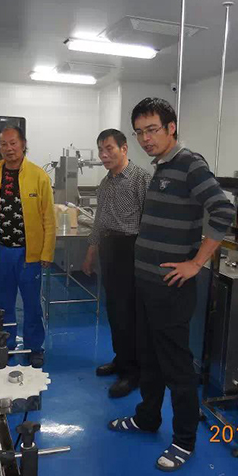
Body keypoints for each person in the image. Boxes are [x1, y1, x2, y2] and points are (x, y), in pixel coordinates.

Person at [107, 98, 235, 472]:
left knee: (177, 366)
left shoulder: (190, 164)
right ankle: (147, 417)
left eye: (152, 130)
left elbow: (223, 211)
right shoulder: (162, 167)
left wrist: (197, 263)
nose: (146, 138)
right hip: (146, 283)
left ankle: (184, 440)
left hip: (170, 288)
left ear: (171, 128)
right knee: (148, 358)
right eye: (139, 132)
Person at [82, 129, 152, 398]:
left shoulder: (141, 179)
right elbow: (99, 221)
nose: (103, 155)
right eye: (101, 149)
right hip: (109, 249)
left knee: (130, 313)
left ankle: (133, 372)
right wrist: (91, 252)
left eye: (109, 148)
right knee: (114, 310)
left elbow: (149, 222)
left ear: (124, 148)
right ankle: (121, 359)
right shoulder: (106, 183)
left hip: (131, 249)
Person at [0, 126, 56, 368]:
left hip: (29, 253)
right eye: (4, 144)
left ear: (23, 144)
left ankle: (35, 347)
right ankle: (6, 345)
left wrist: (46, 252)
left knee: (32, 304)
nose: (9, 148)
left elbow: (49, 218)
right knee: (3, 304)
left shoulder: (38, 176)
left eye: (13, 143)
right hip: (2, 251)